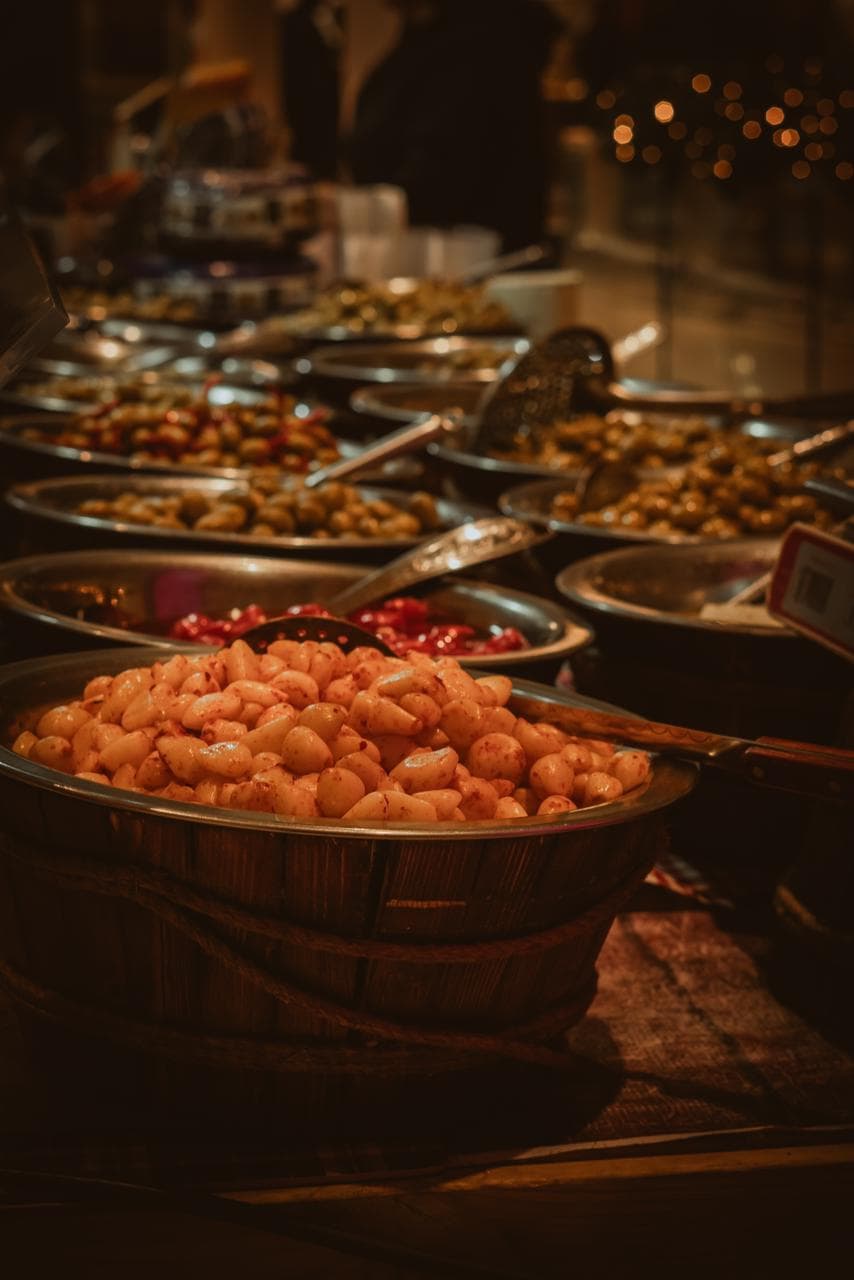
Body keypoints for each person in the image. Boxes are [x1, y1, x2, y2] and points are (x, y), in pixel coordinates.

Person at [347, 0, 562, 250]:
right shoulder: (421, 40)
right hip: (424, 255)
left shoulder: (482, 47)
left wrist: (339, 209)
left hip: (474, 262)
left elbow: (437, 188)